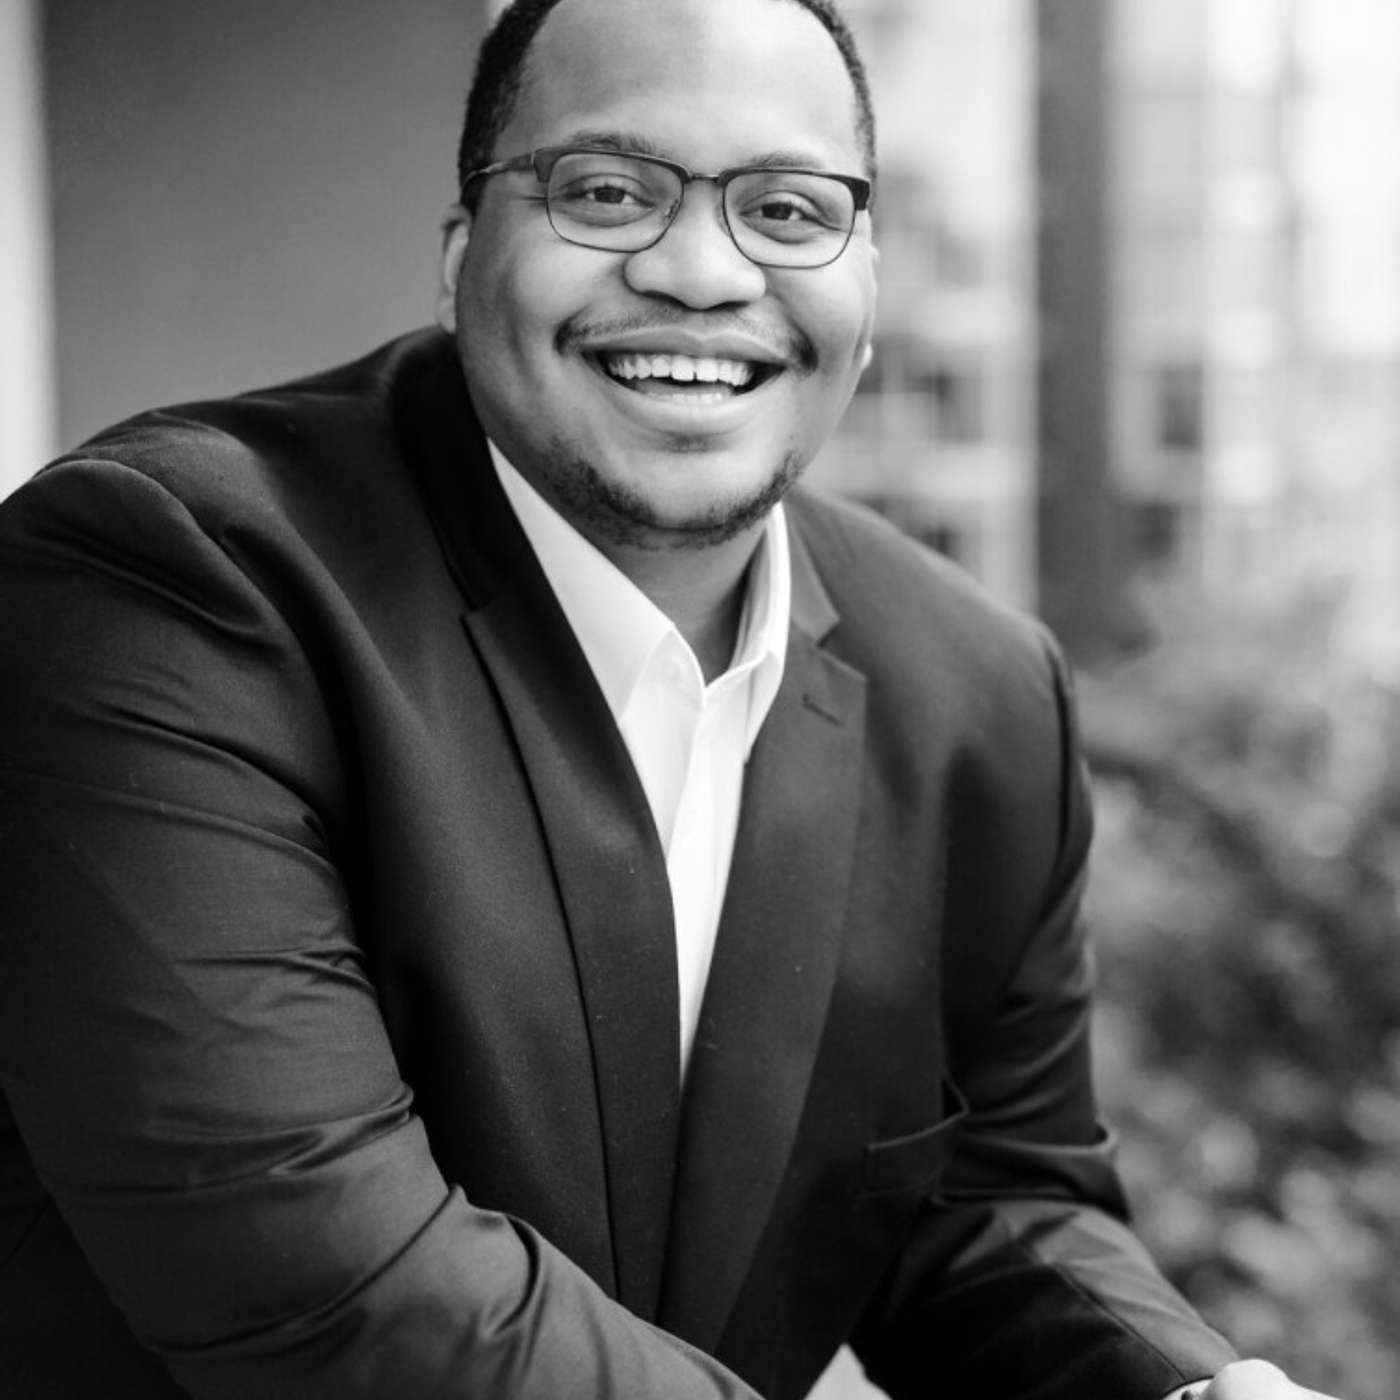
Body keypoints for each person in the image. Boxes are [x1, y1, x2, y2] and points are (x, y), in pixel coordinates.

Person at [0, 1, 1342, 1397]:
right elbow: (316, 1272)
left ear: (867, 284)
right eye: (604, 192)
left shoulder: (978, 691)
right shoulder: (169, 581)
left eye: (788, 210)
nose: (701, 271)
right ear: (460, 257)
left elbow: (986, 1202)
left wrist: (1192, 1391)